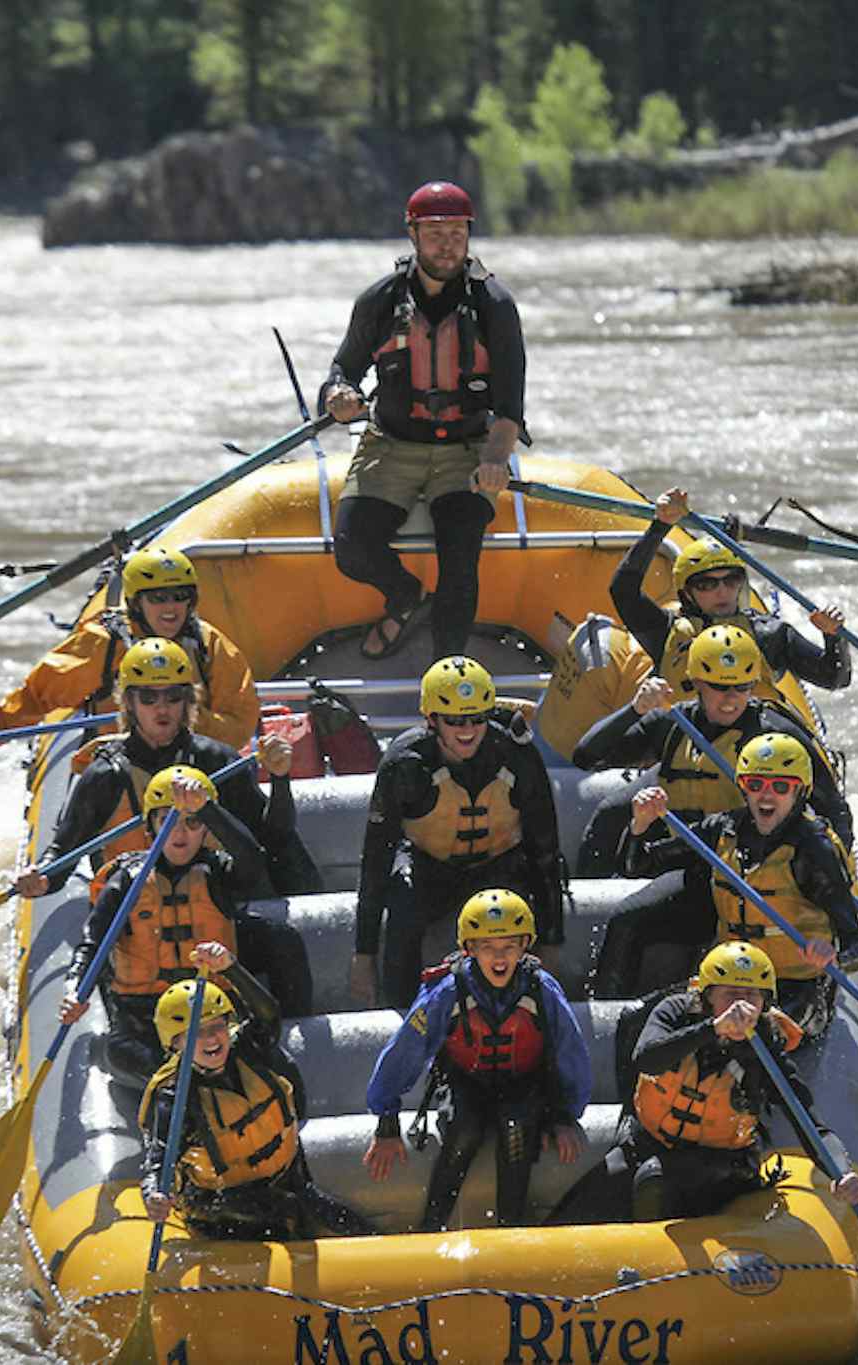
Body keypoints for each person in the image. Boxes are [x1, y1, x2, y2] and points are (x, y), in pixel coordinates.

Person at [318, 180, 528, 662]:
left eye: (457, 232)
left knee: (460, 561)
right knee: (352, 548)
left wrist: (497, 460)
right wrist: (339, 394)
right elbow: (342, 369)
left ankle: (447, 678)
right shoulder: (380, 300)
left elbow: (511, 405)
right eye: (435, 232)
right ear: (412, 234)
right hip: (391, 444)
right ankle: (404, 595)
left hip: (467, 450)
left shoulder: (494, 306)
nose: (447, 243)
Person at [555, 942, 858, 1225]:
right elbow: (647, 1060)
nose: (741, 1007)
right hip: (650, 1144)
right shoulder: (675, 1013)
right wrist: (714, 1028)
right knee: (575, 1212)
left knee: (655, 1178)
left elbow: (809, 1121)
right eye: (730, 994)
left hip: (723, 1167)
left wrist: (840, 1171)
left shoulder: (765, 1049)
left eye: (752, 997)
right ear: (706, 997)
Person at [598, 733, 858, 1036]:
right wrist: (640, 825)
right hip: (729, 983)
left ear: (800, 792)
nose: (766, 796)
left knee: (754, 1033)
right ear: (743, 787)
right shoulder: (723, 829)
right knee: (638, 1022)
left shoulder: (814, 851)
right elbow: (637, 866)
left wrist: (832, 955)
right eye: (756, 785)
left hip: (795, 988)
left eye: (781, 787)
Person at [17, 636, 322, 900]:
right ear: (128, 703)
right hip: (137, 918)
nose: (162, 708)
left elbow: (274, 838)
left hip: (214, 912)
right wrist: (41, 877)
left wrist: (281, 779)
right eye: (148, 698)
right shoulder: (105, 776)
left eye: (173, 697)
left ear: (188, 701)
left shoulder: (217, 760)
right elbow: (62, 852)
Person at [362, 890, 591, 1231]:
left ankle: (511, 1226)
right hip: (466, 1081)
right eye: (487, 947)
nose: (499, 957)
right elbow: (406, 1050)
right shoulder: (446, 991)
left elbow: (570, 1053)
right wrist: (386, 1120)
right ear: (469, 949)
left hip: (525, 1084)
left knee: (516, 1128)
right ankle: (432, 1226)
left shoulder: (541, 990)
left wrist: (563, 1115)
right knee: (464, 1131)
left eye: (509, 946)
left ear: (525, 946)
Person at [59, 765, 313, 1068]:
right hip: (145, 1020)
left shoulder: (218, 872)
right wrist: (75, 988)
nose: (180, 833)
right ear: (150, 827)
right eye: (168, 821)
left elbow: (252, 860)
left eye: (193, 823)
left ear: (206, 830)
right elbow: (92, 944)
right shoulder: (127, 881)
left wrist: (207, 808)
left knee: (282, 939)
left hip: (210, 1014)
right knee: (122, 1055)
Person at [352, 655, 565, 1009]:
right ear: (431, 720)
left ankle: (523, 1008)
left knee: (514, 915)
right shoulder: (405, 764)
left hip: (498, 867)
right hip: (429, 867)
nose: (467, 730)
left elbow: (544, 848)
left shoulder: (517, 755)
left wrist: (553, 939)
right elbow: (376, 858)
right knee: (403, 903)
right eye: (454, 721)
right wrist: (364, 953)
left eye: (476, 719)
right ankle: (399, 1010)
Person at [568, 623, 852, 879]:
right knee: (610, 823)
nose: (730, 699)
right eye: (719, 687)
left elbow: (833, 809)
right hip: (679, 857)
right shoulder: (672, 723)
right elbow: (586, 756)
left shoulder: (776, 734)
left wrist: (836, 872)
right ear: (698, 683)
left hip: (745, 867)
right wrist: (634, 710)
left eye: (741, 687)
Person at [137, 961, 373, 1242]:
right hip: (222, 1205)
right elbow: (158, 1163)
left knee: (342, 1222)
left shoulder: (248, 1050)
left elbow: (268, 1013)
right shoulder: (176, 1098)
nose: (212, 1038)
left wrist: (231, 968)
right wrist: (154, 1193)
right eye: (197, 1033)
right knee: (287, 1210)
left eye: (217, 1026)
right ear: (175, 1045)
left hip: (283, 1178)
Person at [0, 544, 261, 751]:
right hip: (118, 765)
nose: (171, 607)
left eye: (179, 596)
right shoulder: (102, 644)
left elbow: (240, 722)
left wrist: (187, 720)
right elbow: (36, 695)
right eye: (158, 597)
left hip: (190, 768)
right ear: (136, 602)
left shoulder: (210, 645)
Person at [610, 487, 850, 710]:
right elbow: (623, 590)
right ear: (686, 594)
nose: (722, 591)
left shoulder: (770, 635)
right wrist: (661, 525)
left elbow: (835, 678)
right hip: (692, 748)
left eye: (731, 580)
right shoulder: (665, 632)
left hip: (756, 748)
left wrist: (833, 636)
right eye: (707, 584)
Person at [533, 612, 654, 763]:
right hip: (571, 754)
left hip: (542, 724)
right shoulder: (639, 667)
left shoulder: (595, 629)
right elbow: (632, 719)